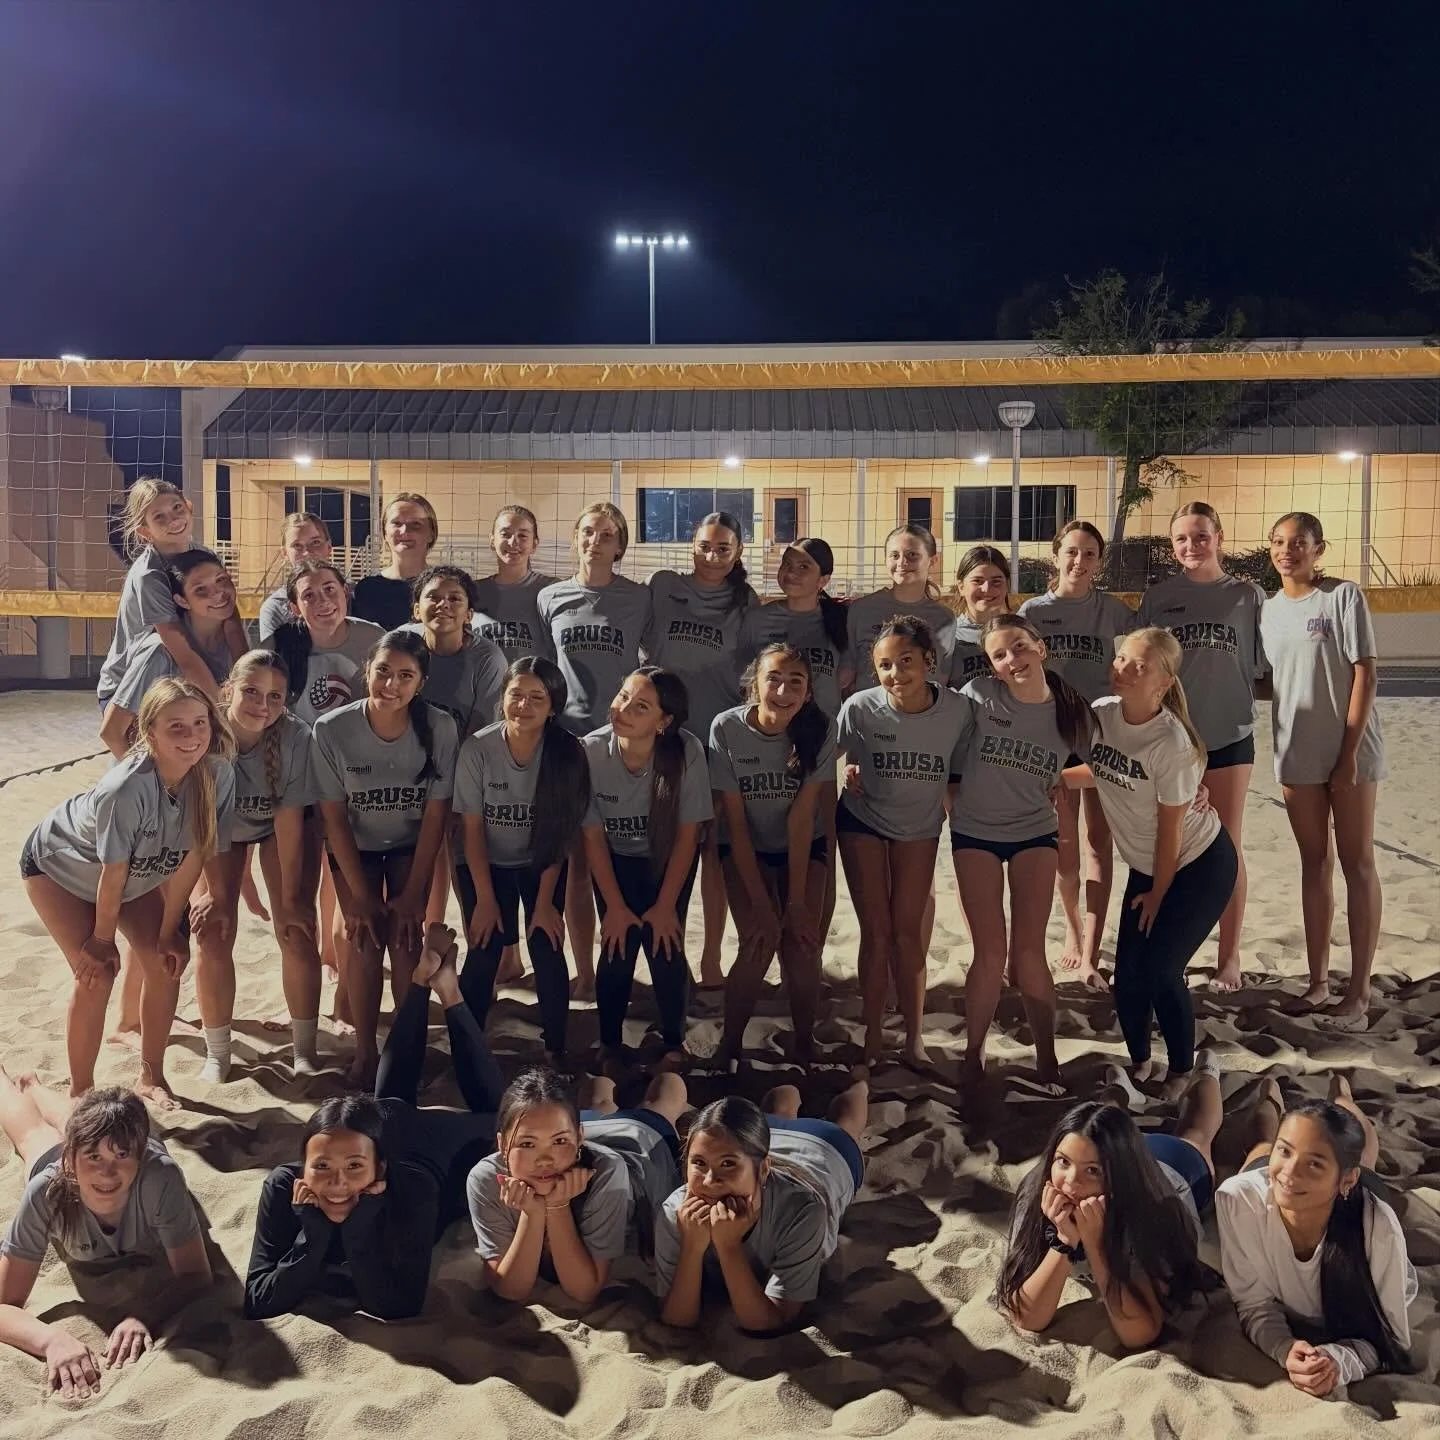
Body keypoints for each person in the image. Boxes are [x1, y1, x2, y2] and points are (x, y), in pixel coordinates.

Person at [244, 927, 505, 1320]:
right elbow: (257, 1300)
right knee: (389, 1099)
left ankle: (448, 992)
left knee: (501, 1119)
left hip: (427, 1148)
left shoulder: (411, 1188)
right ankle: (422, 983)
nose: (337, 1183)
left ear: (378, 1170)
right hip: (377, 1124)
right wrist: (314, 1237)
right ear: (303, 1165)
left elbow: (398, 1305)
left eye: (353, 1169)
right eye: (321, 1167)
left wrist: (356, 1228)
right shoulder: (284, 1186)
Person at [22, 678, 235, 1109]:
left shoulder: (218, 773)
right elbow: (112, 875)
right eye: (176, 726)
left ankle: (151, 1076)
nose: (192, 735)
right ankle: (81, 1089)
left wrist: (172, 927)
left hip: (137, 871)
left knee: (166, 961)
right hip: (60, 867)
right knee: (97, 972)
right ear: (149, 731)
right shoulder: (126, 787)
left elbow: (193, 855)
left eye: (200, 723)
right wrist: (101, 940)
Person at [1063, 629, 1237, 1094]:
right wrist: (1054, 779)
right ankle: (1141, 1061)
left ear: (1162, 683)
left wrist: (1158, 892)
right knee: (1128, 975)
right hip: (1149, 865)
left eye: (1139, 665)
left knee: (1162, 970)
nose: (1124, 668)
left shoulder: (1170, 741)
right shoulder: (1102, 715)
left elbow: (1172, 833)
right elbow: (1099, 770)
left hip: (1197, 864)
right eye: (1121, 658)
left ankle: (1182, 1069)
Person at [948, 615, 1093, 1095]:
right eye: (999, 655)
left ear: (1041, 648)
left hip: (1034, 833)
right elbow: (941, 745)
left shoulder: (1071, 712)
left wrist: (1062, 779)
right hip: (975, 832)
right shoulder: (979, 697)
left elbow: (1104, 765)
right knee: (990, 952)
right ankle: (973, 1053)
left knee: (1030, 952)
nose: (1012, 660)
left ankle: (1047, 1059)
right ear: (990, 665)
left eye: (1019, 647)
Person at [311, 630, 460, 1087]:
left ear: (421, 682)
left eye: (405, 676)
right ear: (366, 671)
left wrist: (414, 895)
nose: (391, 685)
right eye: (382, 672)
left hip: (409, 848)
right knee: (362, 936)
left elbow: (435, 818)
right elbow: (333, 821)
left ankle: (405, 1045)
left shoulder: (439, 728)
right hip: (355, 849)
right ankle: (365, 1051)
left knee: (405, 938)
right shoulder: (332, 729)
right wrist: (357, 897)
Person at [0, 1077, 210, 1398]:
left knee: (91, 1124)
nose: (107, 1173)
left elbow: (197, 1274)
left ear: (140, 1160)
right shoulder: (47, 1191)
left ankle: (37, 1087)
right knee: (33, 1135)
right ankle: (22, 1085)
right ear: (70, 1161)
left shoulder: (160, 1176)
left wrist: (144, 1316)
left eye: (121, 1157)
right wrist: (51, 1340)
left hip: (125, 1140)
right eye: (93, 1158)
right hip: (65, 1168)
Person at [996, 1056, 1219, 1347]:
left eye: (1091, 1172)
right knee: (1096, 1126)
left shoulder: (1153, 1209)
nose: (1071, 1183)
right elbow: (1026, 1318)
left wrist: (1095, 1244)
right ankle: (1118, 1092)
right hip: (1107, 1151)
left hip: (1170, 1167)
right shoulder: (1038, 1193)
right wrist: (1063, 1241)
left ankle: (1208, 1072)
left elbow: (1140, 1332)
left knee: (1197, 1133)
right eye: (1062, 1162)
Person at [1217, 1075, 1416, 1400]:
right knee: (1262, 1148)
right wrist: (1286, 1348)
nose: (1292, 1171)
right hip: (1272, 1179)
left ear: (1344, 1180)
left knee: (1361, 1153)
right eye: (1288, 1152)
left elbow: (1391, 1339)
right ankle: (1270, 1099)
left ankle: (1342, 1094)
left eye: (1313, 1164)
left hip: (1352, 1196)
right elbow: (1254, 1304)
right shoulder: (1240, 1201)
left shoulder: (1375, 1227)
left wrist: (1338, 1361)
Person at [1262, 512, 1385, 1024]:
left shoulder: (1341, 597)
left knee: (1357, 862)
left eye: (1299, 543)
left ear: (1318, 549)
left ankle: (1358, 991)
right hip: (1296, 752)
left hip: (1347, 751)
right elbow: (1274, 679)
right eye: (1279, 542)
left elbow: (1366, 674)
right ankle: (1318, 981)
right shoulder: (1267, 610)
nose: (1287, 551)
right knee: (1314, 863)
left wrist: (1348, 754)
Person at [1138, 502, 1266, 992]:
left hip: (1229, 734)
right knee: (1170, 845)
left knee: (1227, 846)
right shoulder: (1158, 599)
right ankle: (1170, 952)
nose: (1191, 546)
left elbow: (1268, 667)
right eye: (1181, 540)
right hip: (1171, 740)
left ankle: (1229, 957)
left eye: (1200, 536)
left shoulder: (1247, 596)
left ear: (1220, 537)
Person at [835, 618, 972, 1069]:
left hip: (920, 827)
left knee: (907, 933)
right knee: (875, 933)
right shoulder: (859, 707)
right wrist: (847, 771)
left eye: (906, 661)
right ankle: (872, 1036)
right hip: (863, 822)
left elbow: (978, 761)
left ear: (929, 661)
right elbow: (827, 761)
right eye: (885, 665)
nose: (896, 674)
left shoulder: (958, 710)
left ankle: (914, 1040)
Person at [538, 504, 653, 1000]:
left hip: (620, 741)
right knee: (577, 867)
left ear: (620, 545)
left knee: (624, 855)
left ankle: (618, 965)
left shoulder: (639, 599)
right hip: (568, 739)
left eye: (606, 534)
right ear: (575, 538)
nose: (595, 541)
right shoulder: (551, 597)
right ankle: (583, 970)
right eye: (587, 532)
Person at [453, 657, 590, 1063]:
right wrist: (485, 899)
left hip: (540, 861)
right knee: (484, 944)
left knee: (546, 942)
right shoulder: (479, 748)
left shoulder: (566, 752)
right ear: (502, 698)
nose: (524, 706)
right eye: (516, 694)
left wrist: (546, 903)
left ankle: (556, 1047)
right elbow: (472, 832)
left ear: (552, 706)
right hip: (484, 861)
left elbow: (559, 834)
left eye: (537, 698)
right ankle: (469, 1045)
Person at [192, 650, 319, 1081]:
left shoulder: (294, 736)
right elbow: (204, 820)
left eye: (275, 696)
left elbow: (287, 819)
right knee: (214, 928)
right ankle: (218, 1052)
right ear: (228, 688)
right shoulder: (205, 732)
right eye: (250, 691)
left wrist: (290, 899)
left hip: (274, 828)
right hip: (217, 832)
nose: (261, 705)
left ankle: (304, 1049)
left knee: (296, 929)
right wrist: (216, 892)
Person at [645, 511, 757, 990]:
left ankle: (711, 957)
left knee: (714, 853)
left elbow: (756, 670)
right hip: (665, 735)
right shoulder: (664, 585)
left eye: (723, 548)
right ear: (692, 547)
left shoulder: (745, 601)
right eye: (705, 546)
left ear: (737, 554)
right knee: (662, 848)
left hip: (716, 738)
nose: (712, 556)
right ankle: (664, 954)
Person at [1019, 521, 1134, 986]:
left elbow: (1141, 660)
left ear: (1099, 562)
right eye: (1071, 552)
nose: (1079, 562)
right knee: (1064, 851)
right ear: (1055, 556)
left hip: (1101, 736)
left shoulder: (1114, 612)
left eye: (1089, 554)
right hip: (1054, 739)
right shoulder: (1033, 610)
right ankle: (1070, 932)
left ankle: (1091, 941)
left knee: (1098, 846)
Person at [655, 1080, 868, 1331]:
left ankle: (860, 1084)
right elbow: (677, 1318)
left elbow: (768, 1321)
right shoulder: (675, 1211)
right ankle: (790, 1088)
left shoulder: (803, 1211)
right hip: (754, 1139)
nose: (710, 1181)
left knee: (848, 1122)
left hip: (822, 1151)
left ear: (765, 1169)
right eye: (699, 1163)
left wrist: (728, 1246)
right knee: (781, 1105)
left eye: (727, 1165)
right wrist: (691, 1247)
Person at [710, 644, 835, 1068]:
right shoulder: (726, 728)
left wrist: (796, 903)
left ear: (808, 694)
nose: (783, 690)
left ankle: (804, 1041)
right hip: (747, 844)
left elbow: (803, 819)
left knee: (801, 944)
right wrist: (763, 905)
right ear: (754, 684)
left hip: (802, 844)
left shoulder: (820, 729)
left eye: (795, 683)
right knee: (758, 940)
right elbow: (736, 823)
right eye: (773, 679)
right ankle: (730, 1042)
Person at [581, 667, 712, 1072]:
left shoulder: (686, 751)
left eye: (640, 707)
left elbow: (690, 835)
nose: (622, 709)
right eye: (622, 697)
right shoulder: (591, 750)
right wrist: (615, 908)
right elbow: (592, 837)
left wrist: (665, 906)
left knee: (665, 944)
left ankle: (673, 1040)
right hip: (616, 860)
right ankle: (609, 1042)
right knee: (617, 946)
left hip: (666, 859)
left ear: (663, 722)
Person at [466, 1066, 688, 1304]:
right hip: (575, 1128)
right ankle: (609, 1072)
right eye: (527, 1144)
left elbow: (584, 1289)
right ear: (502, 1145)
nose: (544, 1160)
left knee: (660, 1102)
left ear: (578, 1137)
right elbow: (511, 1289)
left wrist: (557, 1206)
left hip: (638, 1142)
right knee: (599, 1102)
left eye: (559, 1142)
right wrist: (533, 1213)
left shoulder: (607, 1173)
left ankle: (653, 1065)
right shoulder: (486, 1177)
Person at [737, 537, 848, 937]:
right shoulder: (758, 619)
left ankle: (810, 949)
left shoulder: (839, 622)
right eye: (788, 564)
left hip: (819, 750)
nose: (792, 573)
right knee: (771, 844)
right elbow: (745, 684)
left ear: (824, 579)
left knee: (823, 853)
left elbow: (847, 683)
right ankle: (768, 938)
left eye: (804, 567)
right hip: (768, 749)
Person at [96, 477, 248, 709]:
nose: (174, 519)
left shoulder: (203, 554)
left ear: (189, 506)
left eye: (177, 508)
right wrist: (223, 706)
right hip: (128, 690)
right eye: (160, 517)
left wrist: (243, 683)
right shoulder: (150, 575)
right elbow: (182, 652)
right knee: (160, 646)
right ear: (145, 531)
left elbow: (231, 621)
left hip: (182, 678)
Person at [100, 548, 241, 758]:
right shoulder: (159, 652)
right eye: (201, 590)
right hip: (151, 763)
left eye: (221, 580)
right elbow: (111, 733)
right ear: (182, 601)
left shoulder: (234, 636)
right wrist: (148, 784)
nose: (218, 593)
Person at [270, 559, 387, 728]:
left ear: (345, 593)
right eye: (309, 595)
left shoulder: (375, 638)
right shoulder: (277, 645)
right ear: (295, 608)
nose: (323, 601)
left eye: (330, 589)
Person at [845, 524, 956, 689]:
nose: (902, 562)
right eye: (894, 555)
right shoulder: (862, 610)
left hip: (920, 712)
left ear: (932, 561)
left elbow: (941, 678)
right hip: (871, 712)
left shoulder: (945, 618)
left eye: (912, 555)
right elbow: (848, 674)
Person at [472, 504, 555, 664]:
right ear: (492, 540)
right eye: (505, 534)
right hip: (484, 687)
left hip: (531, 687)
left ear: (534, 544)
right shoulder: (472, 592)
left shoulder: (551, 590)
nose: (513, 542)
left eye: (522, 536)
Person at [351, 492, 439, 631]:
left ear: (431, 533)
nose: (404, 531)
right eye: (396, 523)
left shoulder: (444, 587)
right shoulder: (366, 590)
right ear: (385, 533)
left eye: (415, 524)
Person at [257, 511, 333, 642]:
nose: (307, 552)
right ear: (284, 553)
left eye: (315, 542)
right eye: (297, 546)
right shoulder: (275, 608)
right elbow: (274, 661)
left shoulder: (352, 596)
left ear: (329, 547)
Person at [949, 544, 1012, 687]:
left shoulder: (1020, 632)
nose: (986, 589)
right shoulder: (950, 636)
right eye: (977, 581)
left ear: (1007, 585)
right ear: (961, 587)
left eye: (996, 581)